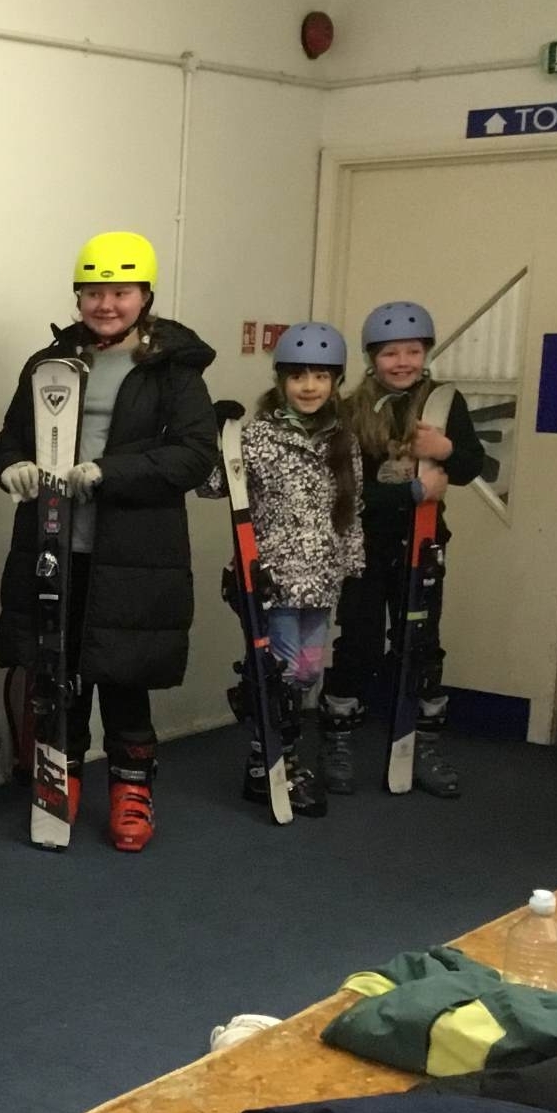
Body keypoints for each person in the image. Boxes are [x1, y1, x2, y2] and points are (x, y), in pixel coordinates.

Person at [0, 231, 218, 852]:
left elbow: (195, 455)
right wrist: (12, 467)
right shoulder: (50, 363)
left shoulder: (171, 369)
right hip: (55, 545)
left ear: (145, 297)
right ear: (78, 297)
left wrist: (109, 473)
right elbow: (11, 439)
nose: (106, 304)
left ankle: (132, 792)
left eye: (120, 292)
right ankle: (58, 782)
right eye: (94, 292)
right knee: (56, 674)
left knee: (124, 677)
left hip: (133, 552)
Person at [320, 301, 484, 797]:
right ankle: (338, 739)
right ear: (372, 358)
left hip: (423, 545)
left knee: (422, 644)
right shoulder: (348, 411)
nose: (402, 362)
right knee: (359, 643)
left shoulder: (443, 403)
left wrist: (446, 450)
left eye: (412, 351)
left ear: (426, 352)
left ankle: (423, 745)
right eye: (390, 353)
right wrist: (410, 491)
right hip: (365, 546)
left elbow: (471, 466)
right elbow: (345, 491)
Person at [233, 322, 363, 815]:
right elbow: (215, 485)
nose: (309, 387)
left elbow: (351, 508)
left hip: (322, 577)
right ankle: (272, 762)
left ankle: (274, 755)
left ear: (336, 382)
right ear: (281, 380)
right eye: (298, 376)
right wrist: (218, 437)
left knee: (307, 672)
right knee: (281, 674)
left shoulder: (342, 440)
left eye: (321, 377)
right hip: (276, 577)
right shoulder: (259, 436)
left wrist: (351, 563)